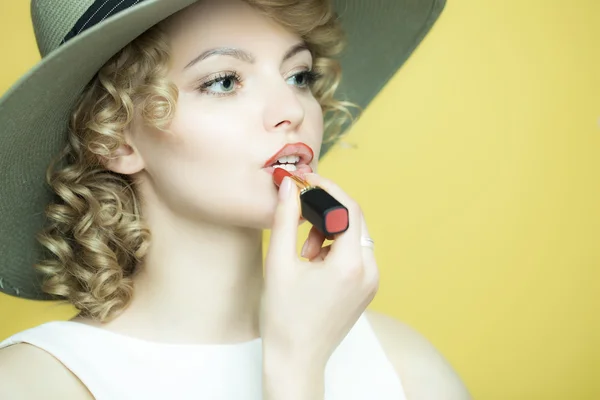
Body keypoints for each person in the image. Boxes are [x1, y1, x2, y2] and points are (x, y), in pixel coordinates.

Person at [0, 0, 470, 398]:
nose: (292, 111)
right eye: (225, 81)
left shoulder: (403, 367)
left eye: (299, 75)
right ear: (115, 137)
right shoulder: (33, 383)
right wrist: (294, 371)